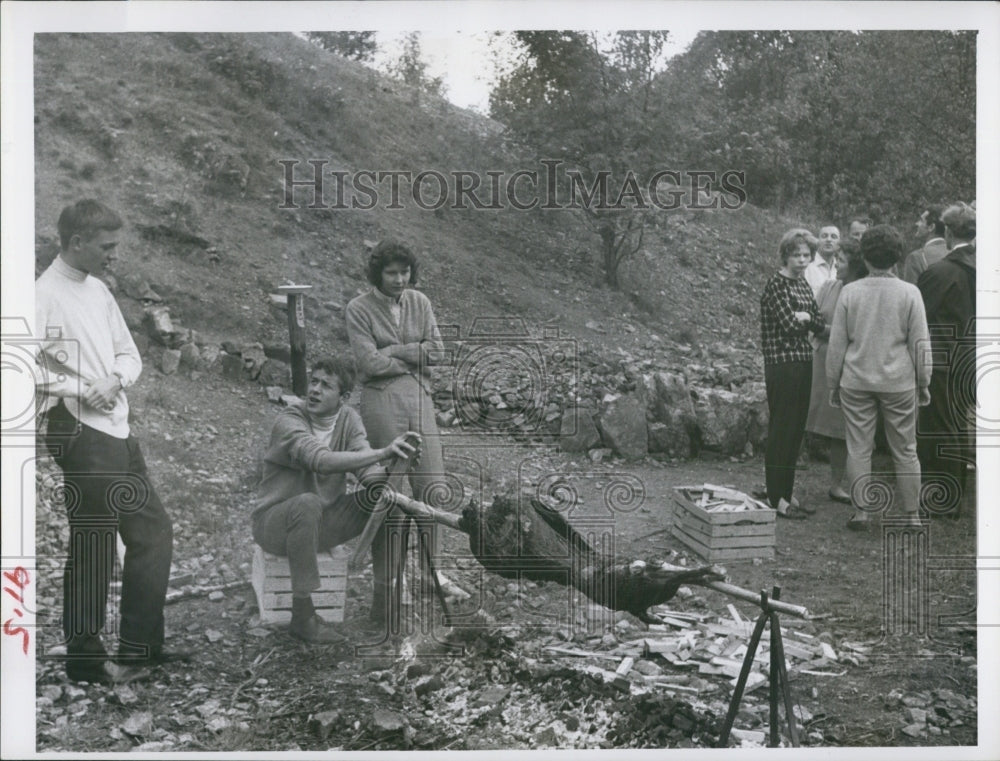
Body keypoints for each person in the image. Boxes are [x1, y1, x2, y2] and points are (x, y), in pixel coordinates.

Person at [36, 200, 176, 684]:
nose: (115, 255)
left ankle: (140, 649)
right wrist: (79, 387)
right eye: (107, 246)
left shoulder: (98, 291)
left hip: (116, 426)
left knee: (153, 533)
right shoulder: (41, 295)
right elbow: (17, 365)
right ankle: (86, 660)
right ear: (77, 242)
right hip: (77, 429)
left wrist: (115, 379)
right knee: (94, 541)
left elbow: (129, 354)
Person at [253, 357, 419, 642]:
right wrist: (382, 453)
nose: (314, 390)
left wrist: (392, 470)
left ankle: (383, 603)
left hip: (323, 523)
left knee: (389, 502)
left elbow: (367, 473)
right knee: (307, 503)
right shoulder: (290, 419)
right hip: (275, 524)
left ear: (343, 398)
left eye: (325, 385)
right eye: (314, 381)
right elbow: (321, 460)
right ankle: (302, 617)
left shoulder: (348, 420)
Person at [345, 240, 447, 614]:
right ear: (378, 274)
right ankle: (391, 581)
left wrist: (393, 352)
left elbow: (437, 351)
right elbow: (368, 365)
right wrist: (412, 354)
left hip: (419, 395)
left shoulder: (420, 302)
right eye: (391, 273)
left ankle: (431, 572)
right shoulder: (358, 309)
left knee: (433, 484)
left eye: (404, 272)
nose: (399, 279)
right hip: (381, 399)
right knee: (390, 492)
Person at [827, 225, 931, 530]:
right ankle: (912, 515)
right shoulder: (910, 293)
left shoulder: (850, 292)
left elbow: (837, 344)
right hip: (899, 382)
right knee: (906, 448)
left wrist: (833, 383)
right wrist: (924, 381)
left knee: (858, 447)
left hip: (856, 380)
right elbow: (920, 343)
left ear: (866, 256)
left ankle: (862, 512)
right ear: (897, 256)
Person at [916, 202, 976, 519]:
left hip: (942, 359)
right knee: (958, 427)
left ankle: (943, 499)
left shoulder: (940, 272)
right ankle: (953, 494)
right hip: (972, 359)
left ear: (949, 232)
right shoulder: (981, 267)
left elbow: (917, 316)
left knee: (938, 428)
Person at [759, 228, 825, 519]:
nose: (801, 260)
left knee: (796, 430)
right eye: (796, 254)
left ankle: (787, 492)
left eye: (806, 255)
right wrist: (807, 322)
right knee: (782, 430)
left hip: (802, 360)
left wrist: (809, 318)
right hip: (781, 364)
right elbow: (789, 325)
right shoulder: (777, 284)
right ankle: (775, 497)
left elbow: (819, 321)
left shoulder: (802, 285)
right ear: (785, 255)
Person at [805, 238, 868, 505]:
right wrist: (815, 330)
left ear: (855, 265)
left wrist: (825, 331)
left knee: (840, 428)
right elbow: (812, 315)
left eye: (841, 261)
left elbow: (856, 332)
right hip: (818, 361)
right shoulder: (829, 286)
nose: (836, 265)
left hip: (846, 365)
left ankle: (836, 484)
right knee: (804, 418)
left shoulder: (863, 292)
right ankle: (785, 480)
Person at [901, 204, 948, 284]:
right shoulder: (958, 253)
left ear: (931, 227)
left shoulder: (916, 257)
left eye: (921, 220)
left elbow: (912, 294)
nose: (917, 223)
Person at [804, 225, 841, 295]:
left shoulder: (841, 268)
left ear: (839, 243)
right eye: (824, 236)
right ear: (818, 241)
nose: (829, 240)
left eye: (833, 237)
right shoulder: (807, 266)